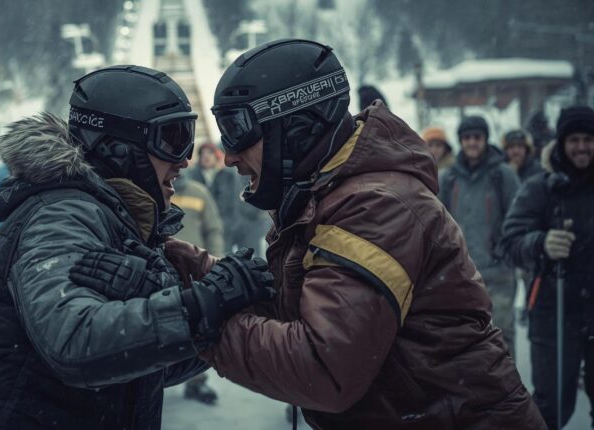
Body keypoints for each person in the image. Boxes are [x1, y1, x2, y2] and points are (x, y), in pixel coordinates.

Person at [202, 38, 544, 429]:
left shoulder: (375, 208)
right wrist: (191, 271)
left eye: (237, 130)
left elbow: (324, 367)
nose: (229, 156)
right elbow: (305, 319)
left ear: (296, 126)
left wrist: (202, 322)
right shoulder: (329, 197)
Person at [0, 65, 273, 429]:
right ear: (119, 149)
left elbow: (144, 372)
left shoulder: (116, 222)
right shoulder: (61, 214)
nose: (183, 160)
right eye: (171, 138)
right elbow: (73, 341)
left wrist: (226, 313)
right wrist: (203, 305)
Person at [501, 106, 594, 429]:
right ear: (562, 142)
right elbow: (509, 243)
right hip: (553, 315)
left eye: (589, 139)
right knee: (551, 410)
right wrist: (541, 243)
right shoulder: (541, 188)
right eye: (575, 140)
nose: (582, 147)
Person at [439, 115, 521, 356]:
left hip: (499, 273)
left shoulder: (503, 174)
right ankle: (477, 393)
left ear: (485, 139)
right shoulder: (448, 178)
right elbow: (438, 222)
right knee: (466, 340)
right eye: (466, 138)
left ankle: (507, 392)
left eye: (477, 137)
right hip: (461, 274)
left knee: (502, 336)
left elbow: (517, 218)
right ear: (460, 141)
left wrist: (503, 250)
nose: (472, 142)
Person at [170, 175, 223, 404]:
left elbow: (213, 229)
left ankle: (196, 382)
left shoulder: (199, 192)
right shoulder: (152, 189)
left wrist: (216, 264)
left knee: (194, 326)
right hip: (163, 270)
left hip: (194, 272)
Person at [186, 142, 239, 250]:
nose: (206, 156)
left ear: (216, 155)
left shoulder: (228, 176)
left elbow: (234, 204)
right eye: (202, 154)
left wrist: (230, 226)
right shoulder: (192, 177)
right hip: (201, 229)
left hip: (225, 228)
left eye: (209, 153)